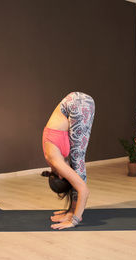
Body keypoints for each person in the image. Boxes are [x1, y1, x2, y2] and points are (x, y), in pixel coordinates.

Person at [42, 92, 95, 230]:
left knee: (78, 161)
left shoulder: (56, 161)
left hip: (79, 103)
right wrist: (69, 210)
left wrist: (74, 220)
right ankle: (71, 210)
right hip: (74, 101)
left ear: (61, 175)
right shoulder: (51, 159)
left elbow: (84, 190)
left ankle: (73, 213)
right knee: (76, 161)